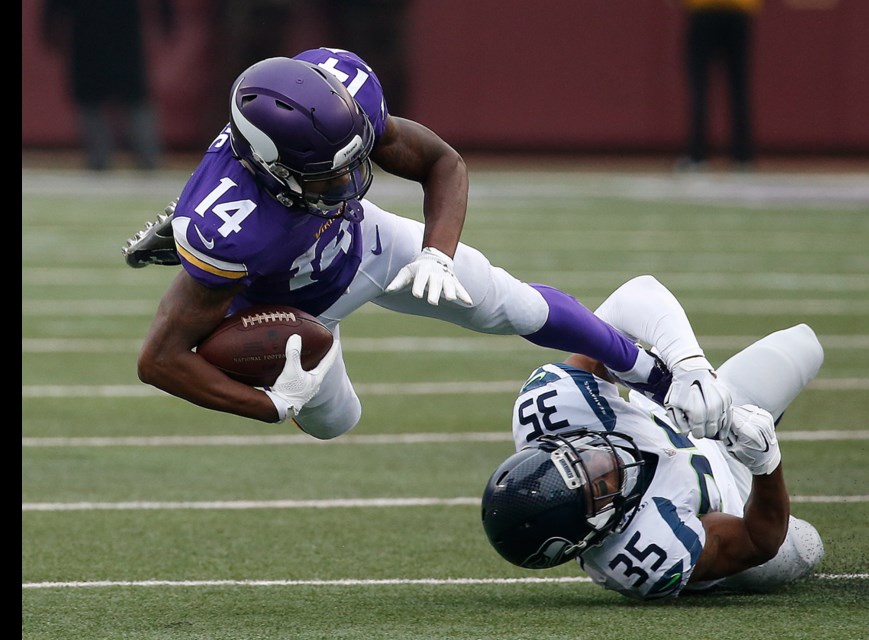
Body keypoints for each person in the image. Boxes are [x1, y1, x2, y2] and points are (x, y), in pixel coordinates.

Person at [121, 49, 733, 440]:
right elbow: (159, 360)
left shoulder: (339, 100)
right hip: (292, 312)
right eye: (327, 175)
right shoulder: (231, 223)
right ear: (271, 169)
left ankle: (653, 376)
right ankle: (202, 259)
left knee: (511, 304)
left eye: (353, 161)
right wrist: (266, 406)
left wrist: (438, 251)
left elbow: (442, 161)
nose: (348, 180)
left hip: (366, 242)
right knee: (337, 423)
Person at [481, 275, 825, 598]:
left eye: (583, 455)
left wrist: (686, 367)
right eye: (600, 485)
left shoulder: (555, 409)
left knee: (804, 344)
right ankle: (756, 435)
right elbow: (757, 539)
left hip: (680, 417)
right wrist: (765, 463)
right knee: (805, 547)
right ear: (590, 534)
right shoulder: (640, 555)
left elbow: (631, 299)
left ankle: (744, 419)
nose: (604, 461)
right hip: (730, 493)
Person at [41, 0, 175, 171]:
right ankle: (100, 159)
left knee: (134, 97)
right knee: (91, 97)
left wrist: (167, 17)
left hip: (123, 32)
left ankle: (148, 157)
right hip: (87, 33)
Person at [674, 0, 761, 171]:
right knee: (738, 90)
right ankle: (742, 158)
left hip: (706, 11)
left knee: (701, 87)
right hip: (735, 12)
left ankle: (698, 156)